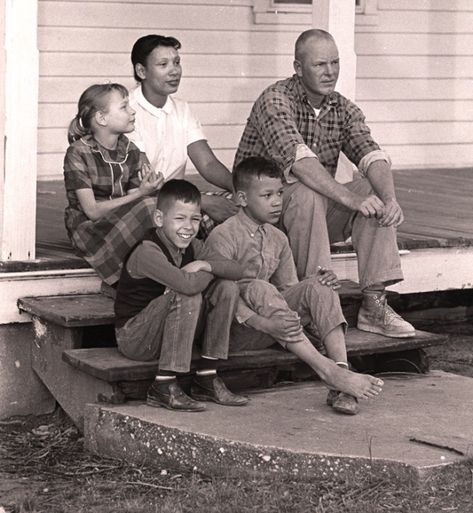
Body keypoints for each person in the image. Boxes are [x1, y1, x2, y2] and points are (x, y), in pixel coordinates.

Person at [234, 29, 415, 339]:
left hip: (309, 220)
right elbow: (300, 163)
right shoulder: (275, 99)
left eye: (335, 62)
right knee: (308, 191)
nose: (330, 71)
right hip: (261, 218)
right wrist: (351, 200)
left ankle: (373, 304)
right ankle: (317, 305)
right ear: (297, 67)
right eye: (319, 64)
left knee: (374, 192)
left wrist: (390, 198)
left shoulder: (342, 108)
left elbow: (372, 154)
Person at [205, 157, 384, 415]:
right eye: (267, 195)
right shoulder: (223, 235)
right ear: (242, 199)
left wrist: (316, 286)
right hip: (236, 331)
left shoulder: (278, 238)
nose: (277, 201)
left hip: (276, 327)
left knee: (319, 285)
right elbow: (219, 295)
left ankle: (341, 375)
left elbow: (289, 290)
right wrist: (264, 323)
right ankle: (327, 370)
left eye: (279, 193)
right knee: (257, 288)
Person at [114, 179, 248, 412]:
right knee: (188, 295)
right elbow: (186, 287)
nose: (188, 226)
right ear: (159, 219)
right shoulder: (147, 250)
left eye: (195, 219)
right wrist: (207, 271)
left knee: (228, 287)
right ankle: (163, 385)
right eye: (179, 218)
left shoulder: (193, 247)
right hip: (136, 337)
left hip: (169, 332)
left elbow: (236, 270)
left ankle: (207, 376)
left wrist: (202, 264)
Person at [128, 34, 238, 235]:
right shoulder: (126, 111)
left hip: (177, 200)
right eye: (163, 64)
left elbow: (207, 164)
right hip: (142, 201)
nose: (174, 71)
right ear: (141, 71)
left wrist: (240, 190)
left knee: (242, 206)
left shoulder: (181, 109)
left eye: (177, 62)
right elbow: (146, 183)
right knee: (202, 211)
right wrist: (202, 201)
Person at [64, 83, 163, 286]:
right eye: (124, 107)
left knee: (168, 206)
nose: (132, 111)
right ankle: (132, 282)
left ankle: (157, 274)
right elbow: (92, 211)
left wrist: (148, 189)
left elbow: (137, 201)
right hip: (90, 229)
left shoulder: (130, 149)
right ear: (101, 118)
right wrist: (142, 194)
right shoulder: (78, 152)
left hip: (121, 221)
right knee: (150, 207)